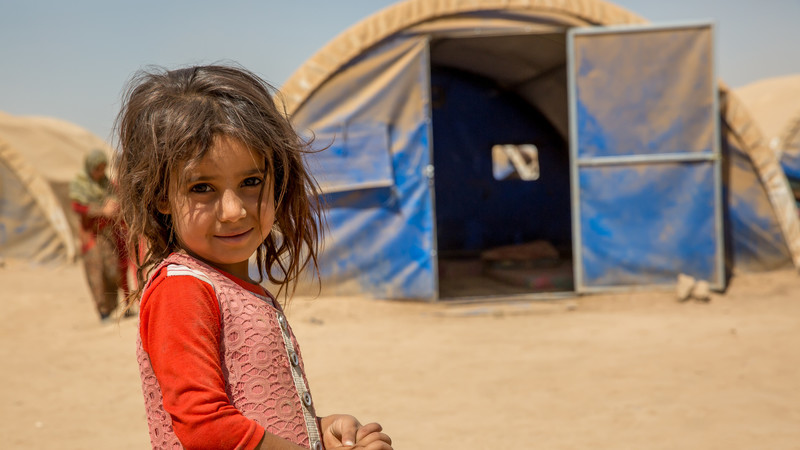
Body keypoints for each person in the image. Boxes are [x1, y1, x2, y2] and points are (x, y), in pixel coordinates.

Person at [113, 64, 393, 450]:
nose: (233, 210)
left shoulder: (233, 288)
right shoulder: (181, 291)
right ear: (161, 196)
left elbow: (251, 411)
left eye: (251, 182)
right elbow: (206, 427)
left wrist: (317, 431)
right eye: (202, 188)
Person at [69, 148, 132, 322]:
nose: (99, 172)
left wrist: (113, 207)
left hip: (109, 235)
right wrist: (100, 210)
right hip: (90, 237)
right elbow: (77, 206)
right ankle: (102, 310)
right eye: (97, 169)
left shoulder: (108, 185)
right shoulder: (80, 184)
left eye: (102, 168)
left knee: (113, 270)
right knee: (96, 273)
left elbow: (119, 201)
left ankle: (114, 306)